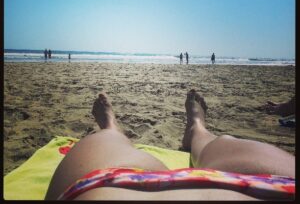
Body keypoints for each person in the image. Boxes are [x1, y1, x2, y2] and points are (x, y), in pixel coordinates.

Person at [45, 90, 294, 200]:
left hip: (116, 189)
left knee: (107, 139)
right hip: (278, 187)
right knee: (222, 142)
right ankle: (197, 129)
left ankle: (111, 127)